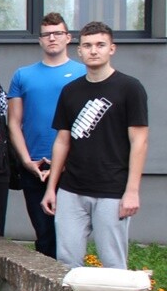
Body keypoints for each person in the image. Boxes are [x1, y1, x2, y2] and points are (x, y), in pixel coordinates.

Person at [41, 21, 149, 269]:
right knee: (66, 262)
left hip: (112, 189)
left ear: (112, 49)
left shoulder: (130, 88)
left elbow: (139, 141)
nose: (93, 50)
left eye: (100, 45)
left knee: (113, 262)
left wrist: (132, 191)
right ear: (79, 50)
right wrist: (52, 188)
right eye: (87, 45)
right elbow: (62, 141)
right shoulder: (70, 91)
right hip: (72, 189)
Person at [7, 13, 85, 258]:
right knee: (44, 235)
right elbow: (14, 123)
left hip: (72, 168)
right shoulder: (23, 75)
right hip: (36, 168)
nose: (52, 38)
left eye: (58, 33)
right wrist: (26, 161)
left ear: (68, 38)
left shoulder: (83, 72)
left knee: (71, 235)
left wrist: (67, 162)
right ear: (40, 40)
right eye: (46, 34)